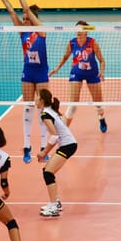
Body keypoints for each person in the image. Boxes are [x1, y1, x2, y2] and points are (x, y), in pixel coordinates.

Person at [0, 0, 50, 164]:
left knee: (43, 109)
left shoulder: (41, 31)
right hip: (28, 73)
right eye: (24, 19)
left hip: (42, 74)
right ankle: (27, 146)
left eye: (27, 19)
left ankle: (43, 146)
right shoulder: (22, 31)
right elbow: (12, 11)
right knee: (27, 108)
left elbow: (25, 10)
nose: (24, 20)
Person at [49, 20, 108, 133]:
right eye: (76, 30)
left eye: (80, 30)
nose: (78, 32)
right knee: (73, 103)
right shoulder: (72, 43)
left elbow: (102, 61)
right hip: (76, 73)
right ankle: (63, 130)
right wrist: (57, 68)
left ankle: (101, 118)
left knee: (98, 103)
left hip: (92, 73)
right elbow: (65, 57)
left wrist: (101, 72)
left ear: (86, 32)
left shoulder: (92, 43)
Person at [36, 89, 78, 217]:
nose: (35, 100)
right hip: (68, 145)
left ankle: (54, 207)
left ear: (42, 100)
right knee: (47, 171)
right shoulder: (49, 111)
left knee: (48, 173)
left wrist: (44, 153)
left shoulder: (45, 114)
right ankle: (56, 203)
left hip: (68, 145)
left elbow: (54, 136)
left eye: (37, 97)